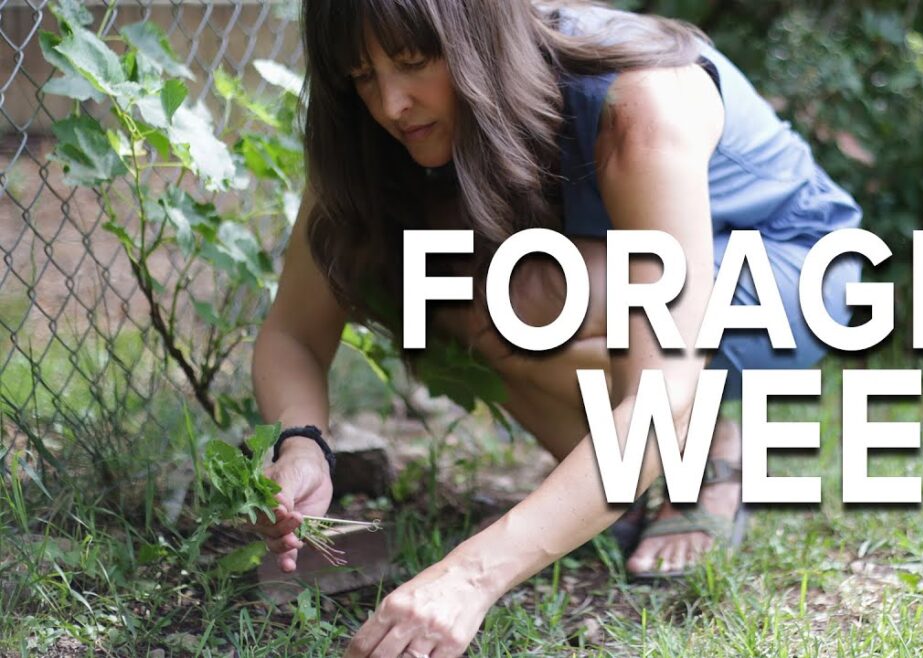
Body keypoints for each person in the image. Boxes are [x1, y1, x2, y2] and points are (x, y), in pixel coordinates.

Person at [251, 1, 861, 656]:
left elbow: (661, 396)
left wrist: (470, 576)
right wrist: (302, 445)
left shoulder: (638, 101)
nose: (392, 104)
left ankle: (697, 458)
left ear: (479, 42)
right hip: (622, 280)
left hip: (787, 274)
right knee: (429, 284)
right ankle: (640, 481)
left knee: (517, 295)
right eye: (362, 75)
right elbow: (293, 332)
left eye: (413, 63)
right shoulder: (365, 133)